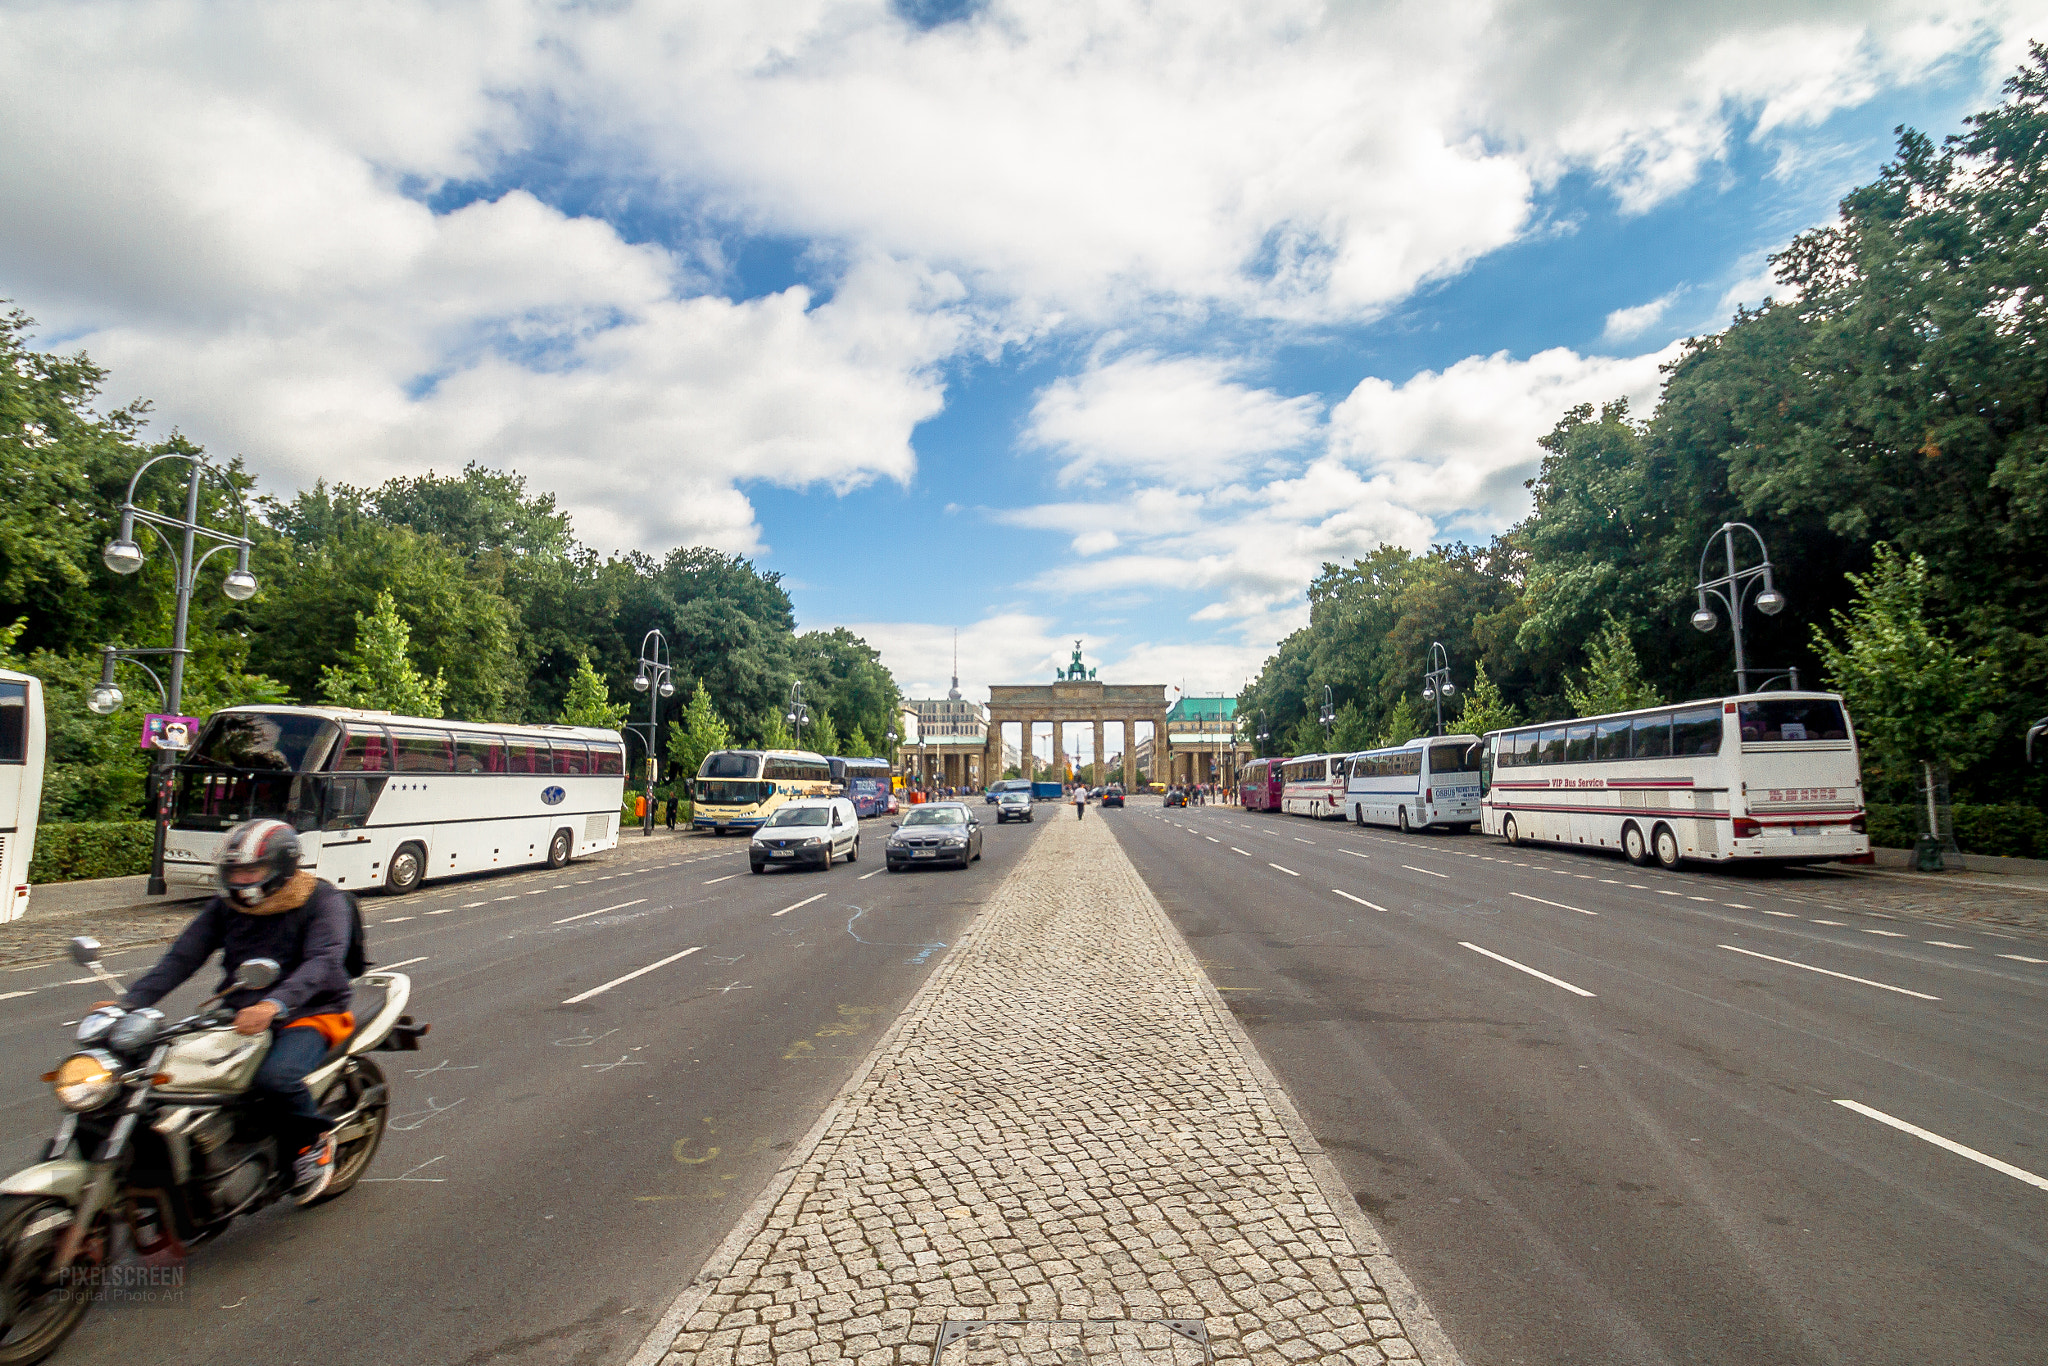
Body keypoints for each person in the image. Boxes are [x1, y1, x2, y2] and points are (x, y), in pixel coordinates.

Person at [110, 819, 355, 1206]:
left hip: (310, 1010)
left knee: (276, 1080)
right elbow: (183, 957)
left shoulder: (322, 901)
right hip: (240, 1011)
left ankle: (314, 1144)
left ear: (283, 867)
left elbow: (323, 963)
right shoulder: (226, 906)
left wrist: (275, 1004)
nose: (240, 880)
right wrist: (127, 1004)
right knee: (169, 1075)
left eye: (251, 871)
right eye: (234, 871)